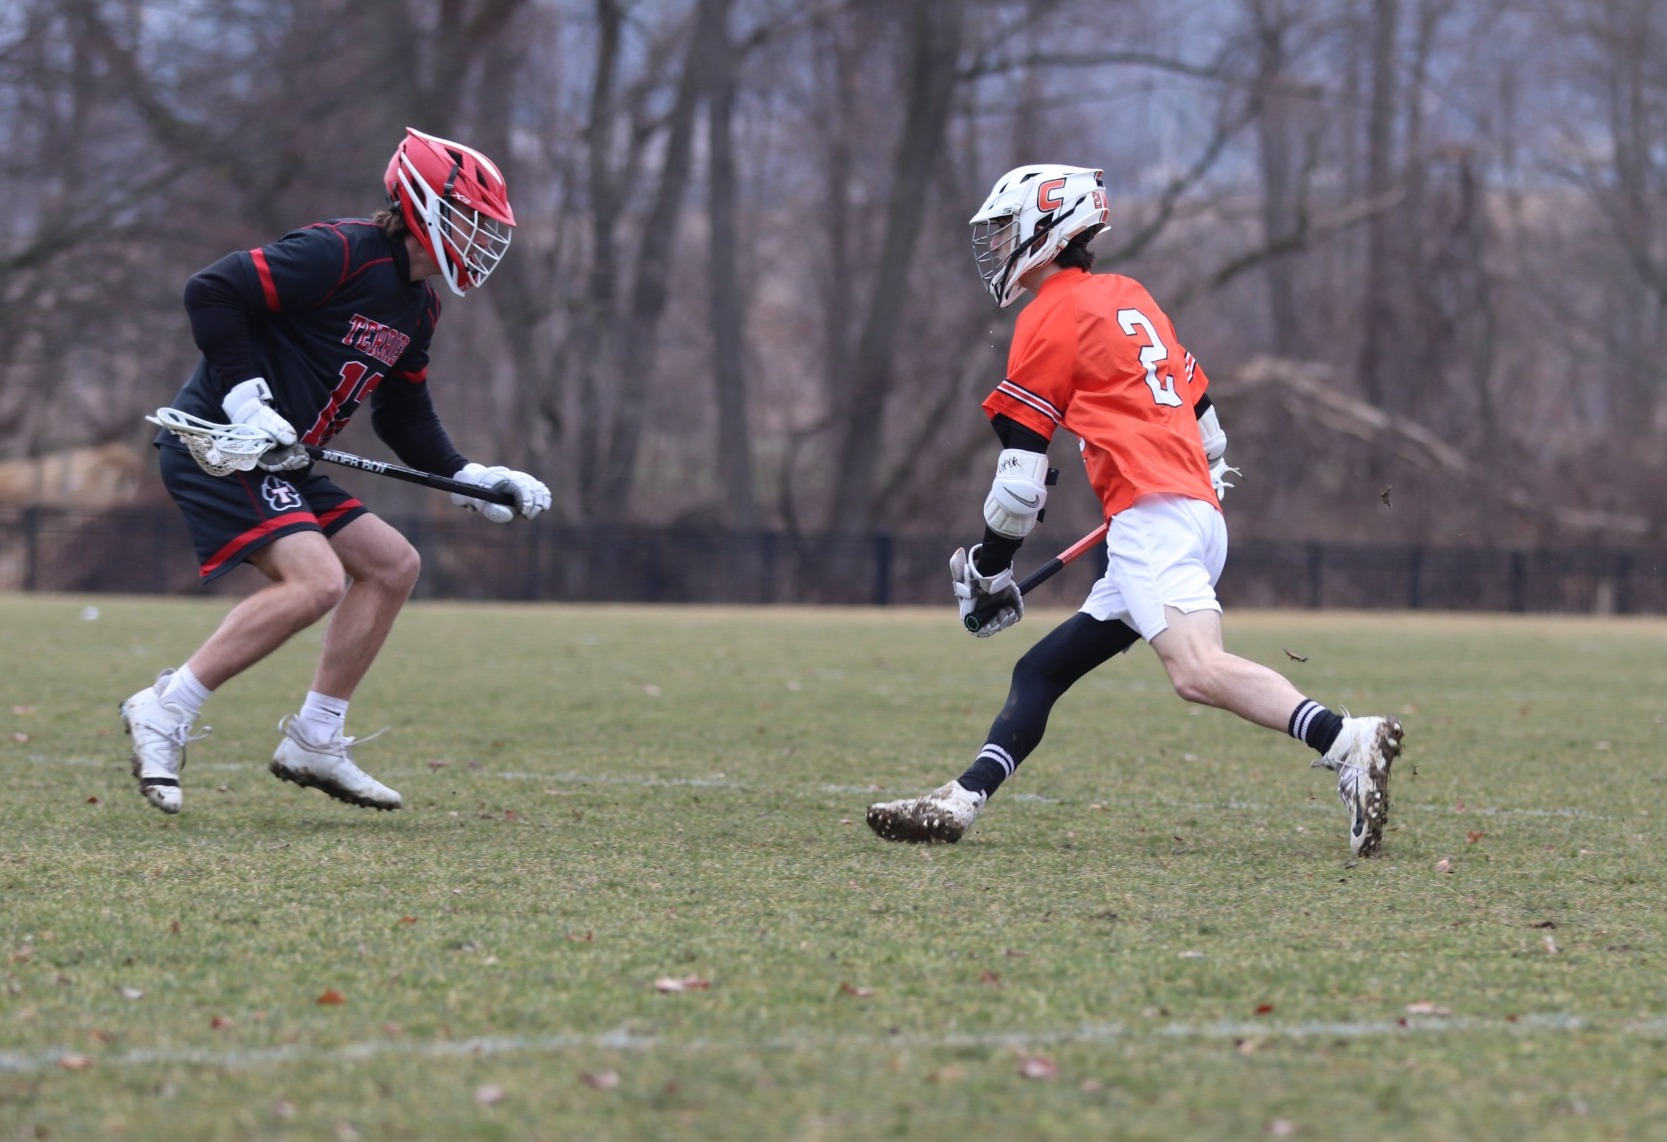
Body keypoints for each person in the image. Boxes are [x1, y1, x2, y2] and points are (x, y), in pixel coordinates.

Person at [866, 164, 1403, 857]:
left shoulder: (1048, 315)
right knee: (1041, 670)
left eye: (1002, 233)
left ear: (1045, 230)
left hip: (1153, 522)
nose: (994, 249)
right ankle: (961, 802)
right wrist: (1175, 480)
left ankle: (1344, 739)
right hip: (1189, 514)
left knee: (1196, 672)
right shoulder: (1129, 296)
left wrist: (989, 567)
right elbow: (1209, 432)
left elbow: (1019, 487)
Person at [119, 128, 550, 815]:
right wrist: (245, 397)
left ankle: (315, 740)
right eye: (471, 221)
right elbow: (212, 291)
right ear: (422, 204)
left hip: (283, 460)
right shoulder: (341, 252)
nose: (480, 240)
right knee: (316, 581)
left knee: (391, 563)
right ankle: (164, 708)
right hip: (221, 445)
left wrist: (470, 476)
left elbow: (403, 412)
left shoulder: (419, 305)